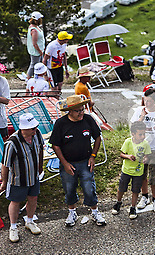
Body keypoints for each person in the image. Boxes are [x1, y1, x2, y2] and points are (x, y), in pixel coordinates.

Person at [49, 95, 106, 227]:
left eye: (82, 110)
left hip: (85, 161)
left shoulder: (88, 119)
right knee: (69, 188)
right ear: (70, 111)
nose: (81, 113)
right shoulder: (61, 124)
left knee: (89, 187)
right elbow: (55, 145)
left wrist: (93, 156)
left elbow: (97, 137)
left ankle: (95, 211)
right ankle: (72, 212)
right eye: (78, 111)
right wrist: (64, 163)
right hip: (68, 163)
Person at [1, 113, 44, 243]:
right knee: (15, 201)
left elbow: (41, 149)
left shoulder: (37, 134)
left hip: (33, 176)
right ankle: (13, 227)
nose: (35, 130)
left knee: (33, 198)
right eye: (32, 128)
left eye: (35, 127)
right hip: (18, 179)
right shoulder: (12, 143)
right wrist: (4, 181)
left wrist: (40, 167)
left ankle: (29, 221)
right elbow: (5, 164)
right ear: (23, 129)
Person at [131, 88, 155, 212]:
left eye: (149, 101)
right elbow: (133, 127)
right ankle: (144, 197)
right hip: (141, 148)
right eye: (145, 100)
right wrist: (142, 117)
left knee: (154, 176)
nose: (146, 104)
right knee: (142, 175)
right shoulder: (139, 111)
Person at [112, 121, 151, 220]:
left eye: (144, 134)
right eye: (140, 134)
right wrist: (128, 156)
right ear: (133, 134)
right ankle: (118, 202)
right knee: (122, 188)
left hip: (138, 172)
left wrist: (146, 159)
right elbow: (121, 154)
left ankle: (133, 208)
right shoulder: (128, 142)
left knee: (135, 190)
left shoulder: (145, 143)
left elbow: (147, 155)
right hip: (126, 171)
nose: (143, 136)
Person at [26, 11, 45, 80]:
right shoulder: (34, 30)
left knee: (38, 64)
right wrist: (40, 51)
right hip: (36, 51)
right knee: (33, 65)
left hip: (39, 50)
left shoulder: (34, 27)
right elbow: (35, 44)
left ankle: (37, 77)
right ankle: (28, 78)